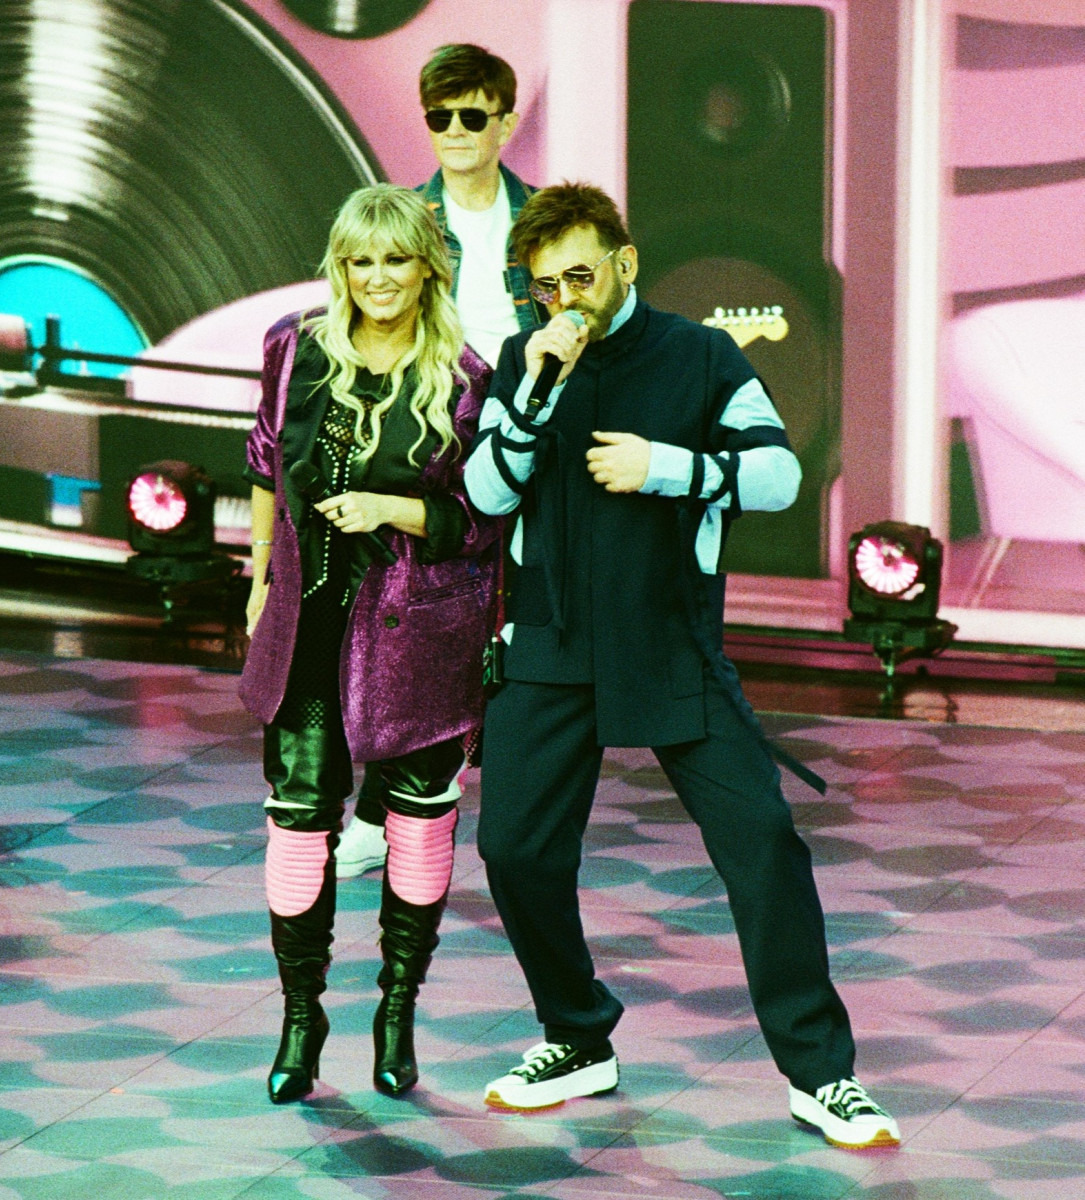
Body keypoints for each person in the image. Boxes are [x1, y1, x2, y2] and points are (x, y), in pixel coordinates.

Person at [464, 183, 900, 1150]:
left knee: (762, 842)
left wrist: (672, 466)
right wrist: (532, 393)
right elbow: (485, 494)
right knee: (514, 851)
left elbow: (779, 475)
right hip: (549, 643)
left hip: (669, 643)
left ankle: (822, 1076)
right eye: (544, 286)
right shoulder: (521, 361)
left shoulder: (700, 355)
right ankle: (576, 1037)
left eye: (581, 276)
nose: (565, 299)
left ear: (625, 263)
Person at [240, 183, 501, 1104]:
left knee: (419, 818)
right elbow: (264, 460)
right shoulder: (294, 347)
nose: (377, 277)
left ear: (427, 268)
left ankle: (397, 1011)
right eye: (360, 261)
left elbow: (482, 523)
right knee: (298, 817)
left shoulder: (465, 378)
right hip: (308, 622)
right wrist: (259, 579)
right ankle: (299, 1019)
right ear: (339, 267)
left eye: (395, 260)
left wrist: (394, 507)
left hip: (418, 628)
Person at [336, 42, 542, 879]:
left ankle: (485, 804)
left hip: (527, 430)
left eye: (471, 115)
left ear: (504, 121)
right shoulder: (405, 221)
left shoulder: (543, 221)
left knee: (520, 628)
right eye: (438, 116)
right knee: (414, 629)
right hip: (435, 432)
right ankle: (380, 811)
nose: (454, 131)